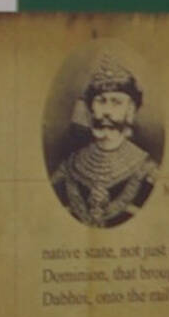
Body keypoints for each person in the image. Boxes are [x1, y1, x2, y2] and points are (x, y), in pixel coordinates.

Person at [49, 59, 158, 227]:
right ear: (90, 108)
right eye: (101, 101)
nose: (106, 111)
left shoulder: (148, 172)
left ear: (130, 110)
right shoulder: (69, 168)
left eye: (116, 102)